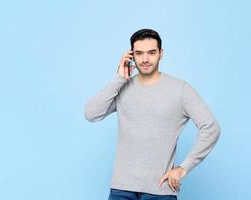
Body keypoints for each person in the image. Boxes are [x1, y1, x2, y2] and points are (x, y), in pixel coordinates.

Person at [84, 28, 220, 200]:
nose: (145, 59)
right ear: (131, 55)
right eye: (139, 53)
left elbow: (211, 128)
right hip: (121, 189)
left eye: (151, 53)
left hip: (160, 191)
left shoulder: (180, 90)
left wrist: (183, 168)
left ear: (161, 54)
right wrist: (119, 78)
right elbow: (91, 113)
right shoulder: (122, 87)